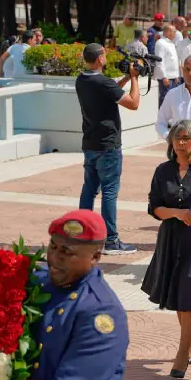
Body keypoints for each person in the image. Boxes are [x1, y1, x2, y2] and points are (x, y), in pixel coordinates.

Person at [14, 210, 129, 380]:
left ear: (95, 257)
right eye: (53, 247)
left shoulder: (101, 313)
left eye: (67, 252)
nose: (55, 258)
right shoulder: (41, 282)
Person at [142, 120, 191, 379]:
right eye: (177, 138)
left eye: (186, 138)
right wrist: (178, 213)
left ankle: (181, 351)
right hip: (170, 238)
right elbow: (155, 207)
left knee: (187, 293)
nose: (181, 143)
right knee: (178, 295)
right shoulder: (162, 170)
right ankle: (189, 342)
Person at [75, 43, 141, 255]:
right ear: (100, 59)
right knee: (110, 192)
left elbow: (110, 90)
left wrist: (123, 79)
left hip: (90, 144)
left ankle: (82, 234)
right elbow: (133, 103)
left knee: (89, 189)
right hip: (108, 146)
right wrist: (134, 78)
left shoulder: (82, 80)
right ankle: (111, 240)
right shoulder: (102, 83)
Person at [154, 25, 181, 108]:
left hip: (173, 77)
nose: (175, 34)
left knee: (173, 99)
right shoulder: (160, 43)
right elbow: (159, 61)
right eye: (174, 32)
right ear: (168, 32)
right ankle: (162, 118)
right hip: (166, 77)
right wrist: (164, 76)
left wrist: (176, 75)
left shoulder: (171, 43)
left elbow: (174, 60)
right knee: (165, 98)